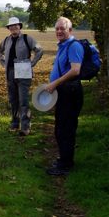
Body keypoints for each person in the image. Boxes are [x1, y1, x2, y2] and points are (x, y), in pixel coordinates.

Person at [44, 17, 84, 176]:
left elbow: (75, 70)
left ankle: (65, 166)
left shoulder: (74, 46)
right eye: (57, 29)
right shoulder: (63, 46)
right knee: (60, 128)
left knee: (66, 130)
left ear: (70, 30)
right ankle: (63, 160)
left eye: (63, 28)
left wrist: (55, 84)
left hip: (70, 93)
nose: (59, 31)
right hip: (63, 92)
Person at [0, 17, 43, 136]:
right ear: (9, 28)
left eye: (16, 25)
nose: (13, 27)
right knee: (13, 100)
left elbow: (39, 50)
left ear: (19, 26)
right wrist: (4, 63)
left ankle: (25, 127)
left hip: (24, 72)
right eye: (11, 26)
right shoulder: (6, 40)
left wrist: (31, 64)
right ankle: (15, 123)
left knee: (23, 100)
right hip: (10, 73)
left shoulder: (27, 38)